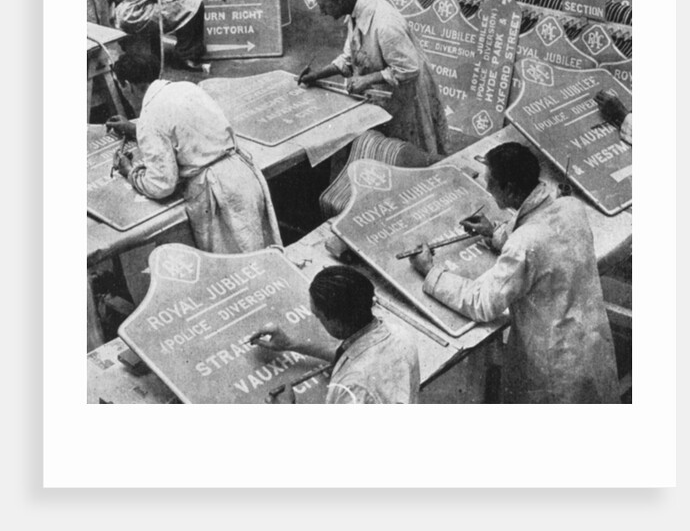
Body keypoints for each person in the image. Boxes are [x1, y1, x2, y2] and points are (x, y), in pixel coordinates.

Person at [409, 142, 620, 403]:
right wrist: (495, 232)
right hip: (590, 342)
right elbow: (543, 235)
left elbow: (482, 303)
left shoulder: (523, 245)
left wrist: (431, 271)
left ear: (509, 189)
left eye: (491, 182)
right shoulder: (570, 207)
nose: (487, 188)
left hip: (553, 363)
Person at [107, 52, 281, 254]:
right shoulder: (186, 87)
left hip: (218, 192)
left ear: (127, 85)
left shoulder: (149, 117)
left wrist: (130, 172)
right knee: (262, 255)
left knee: (234, 267)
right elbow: (183, 131)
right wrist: (133, 129)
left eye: (121, 88)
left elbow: (162, 184)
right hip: (243, 174)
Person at [298, 0, 449, 156]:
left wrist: (367, 79)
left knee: (410, 154)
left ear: (337, 0)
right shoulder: (355, 11)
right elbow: (349, 57)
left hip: (408, 93)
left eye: (324, 6)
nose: (322, 12)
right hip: (388, 91)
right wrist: (317, 75)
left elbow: (409, 69)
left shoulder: (385, 24)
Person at [251, 266, 419, 404]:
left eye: (318, 316)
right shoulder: (399, 333)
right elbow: (351, 356)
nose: (318, 320)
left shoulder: (352, 387)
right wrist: (291, 345)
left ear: (336, 322)